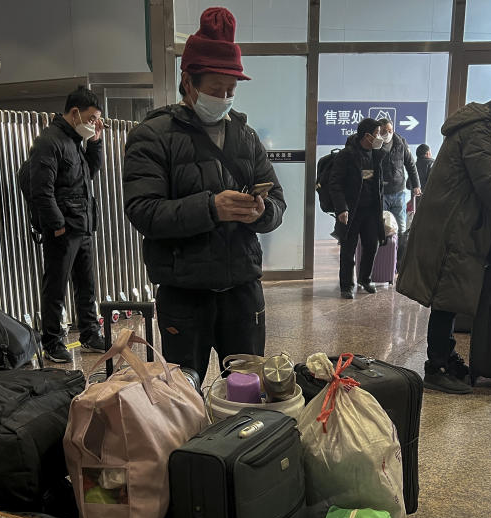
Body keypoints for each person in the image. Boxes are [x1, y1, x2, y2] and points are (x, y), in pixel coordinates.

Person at [122, 7, 286, 382]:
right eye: (215, 89)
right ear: (189, 82)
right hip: (185, 295)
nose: (225, 98)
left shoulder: (245, 136)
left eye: (231, 90)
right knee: (183, 397)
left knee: (246, 392)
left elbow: (277, 200)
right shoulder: (152, 136)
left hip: (243, 292)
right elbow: (143, 211)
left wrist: (261, 211)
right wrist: (211, 208)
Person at [396, 84, 491, 394]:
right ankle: (436, 367)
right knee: (446, 297)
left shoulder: (486, 128)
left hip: (458, 222)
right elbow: (487, 182)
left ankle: (445, 357)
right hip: (452, 224)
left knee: (450, 297)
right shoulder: (481, 129)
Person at [28, 86, 106, 363]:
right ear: (75, 113)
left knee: (86, 284)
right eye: (92, 118)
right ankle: (52, 341)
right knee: (56, 286)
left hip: (81, 224)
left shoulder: (74, 141)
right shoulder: (50, 141)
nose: (95, 123)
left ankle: (90, 333)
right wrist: (57, 225)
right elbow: (41, 190)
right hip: (64, 227)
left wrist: (95, 143)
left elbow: (88, 175)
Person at [326, 117, 386, 299]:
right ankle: (346, 285)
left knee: (371, 245)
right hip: (351, 211)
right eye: (377, 134)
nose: (380, 137)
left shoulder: (376, 154)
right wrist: (341, 208)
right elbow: (334, 183)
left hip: (371, 210)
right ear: (367, 136)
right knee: (348, 249)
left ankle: (365, 279)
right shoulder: (347, 155)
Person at [378, 118, 422, 263]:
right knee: (381, 228)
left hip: (399, 193)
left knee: (402, 229)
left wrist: (416, 185)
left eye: (390, 130)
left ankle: (399, 264)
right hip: (380, 194)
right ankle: (381, 262)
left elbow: (411, 164)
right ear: (379, 131)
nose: (387, 133)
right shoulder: (375, 144)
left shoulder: (400, 142)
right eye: (384, 131)